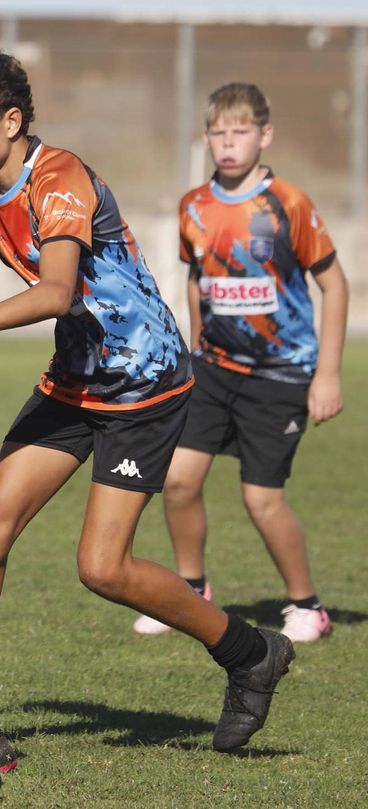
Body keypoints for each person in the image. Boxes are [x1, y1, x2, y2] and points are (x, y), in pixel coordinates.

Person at [0, 48, 293, 753]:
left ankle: (249, 653)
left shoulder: (58, 177)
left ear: (12, 121)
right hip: (73, 380)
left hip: (143, 386)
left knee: (102, 567)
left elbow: (56, 291)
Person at [133, 82, 348, 643]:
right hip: (212, 370)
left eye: (241, 132)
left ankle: (307, 606)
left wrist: (327, 373)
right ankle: (189, 591)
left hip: (280, 376)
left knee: (261, 498)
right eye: (219, 133)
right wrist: (194, 350)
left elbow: (335, 284)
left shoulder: (289, 204)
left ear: (264, 135)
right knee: (178, 482)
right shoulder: (194, 206)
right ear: (206, 139)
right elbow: (198, 279)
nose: (229, 143)